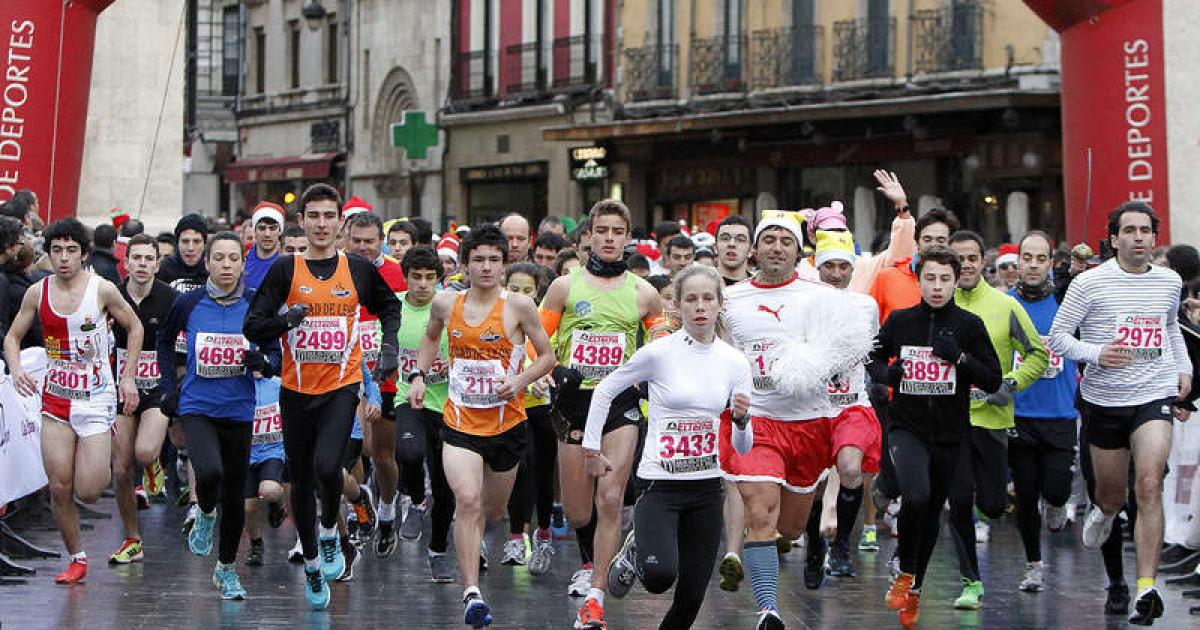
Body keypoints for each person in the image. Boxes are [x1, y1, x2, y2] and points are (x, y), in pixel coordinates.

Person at [243, 183, 402, 611]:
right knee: (301, 478)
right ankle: (312, 560)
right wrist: (287, 320)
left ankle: (330, 530)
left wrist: (389, 347)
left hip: (341, 385)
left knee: (328, 465)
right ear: (302, 221)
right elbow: (253, 326)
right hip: (295, 390)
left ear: (340, 223)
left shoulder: (358, 269)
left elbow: (390, 308)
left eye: (329, 216)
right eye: (313, 216)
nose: (320, 224)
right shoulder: (284, 270)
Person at [719, 211, 875, 630]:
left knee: (787, 526)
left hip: (809, 423)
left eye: (785, 241)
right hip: (756, 420)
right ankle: (768, 610)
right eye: (768, 239)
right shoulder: (730, 299)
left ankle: (782, 544)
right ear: (754, 249)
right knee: (760, 512)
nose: (776, 247)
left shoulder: (823, 295)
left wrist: (806, 364)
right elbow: (715, 350)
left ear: (799, 251)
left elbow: (853, 349)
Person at [1048, 202, 1192, 625]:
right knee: (1111, 496)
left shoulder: (1169, 282)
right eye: (1129, 230)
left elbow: (1170, 329)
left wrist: (1183, 368)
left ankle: (1146, 588)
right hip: (1104, 400)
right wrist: (1097, 353)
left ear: (1154, 237)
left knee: (1148, 484)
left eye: (1145, 230)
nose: (1138, 237)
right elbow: (1057, 338)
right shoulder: (1090, 284)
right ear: (1114, 240)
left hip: (1154, 395)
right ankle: (1106, 511)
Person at [406, 224, 556, 628]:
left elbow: (547, 356)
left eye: (494, 260)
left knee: (491, 509)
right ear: (465, 265)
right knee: (467, 500)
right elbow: (430, 338)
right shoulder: (445, 303)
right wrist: (419, 375)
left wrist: (520, 381)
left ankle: (478, 548)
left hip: (507, 426)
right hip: (459, 422)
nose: (486, 267)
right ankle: (471, 592)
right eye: (478, 260)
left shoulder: (520, 307)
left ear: (504, 266)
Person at [592, 265, 754, 630]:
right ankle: (636, 550)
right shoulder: (659, 353)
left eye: (708, 299)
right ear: (677, 306)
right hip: (659, 485)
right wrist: (591, 448)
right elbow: (605, 389)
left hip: (707, 488)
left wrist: (742, 421)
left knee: (692, 596)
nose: (700, 307)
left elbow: (743, 447)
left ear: (719, 304)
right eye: (691, 299)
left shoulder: (735, 362)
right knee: (660, 576)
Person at [539, 199, 664, 629]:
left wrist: (647, 377)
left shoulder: (645, 294)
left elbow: (661, 347)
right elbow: (539, 342)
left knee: (610, 498)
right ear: (588, 236)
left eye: (618, 231)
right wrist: (554, 371)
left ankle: (595, 598)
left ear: (628, 238)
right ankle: (605, 557)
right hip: (574, 404)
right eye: (602, 231)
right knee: (578, 512)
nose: (610, 238)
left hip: (619, 406)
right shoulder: (563, 287)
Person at [4, 217, 144, 584]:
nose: (63, 257)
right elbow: (12, 337)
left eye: (70, 250)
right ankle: (77, 557)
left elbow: (135, 326)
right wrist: (17, 370)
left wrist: (127, 375)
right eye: (56, 250)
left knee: (89, 489)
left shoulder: (103, 290)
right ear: (47, 254)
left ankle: (98, 451)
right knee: (59, 486)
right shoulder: (37, 292)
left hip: (96, 400)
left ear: (83, 254)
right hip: (55, 400)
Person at [868, 246, 1002, 628]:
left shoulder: (969, 325)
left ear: (957, 280)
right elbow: (872, 358)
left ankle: (915, 586)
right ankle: (905, 571)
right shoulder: (901, 321)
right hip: (906, 426)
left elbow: (992, 378)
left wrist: (960, 359)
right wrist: (888, 375)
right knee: (916, 494)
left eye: (945, 279)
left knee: (929, 513)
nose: (938, 286)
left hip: (950, 433)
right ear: (919, 278)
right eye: (930, 278)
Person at [156, 231, 276, 600]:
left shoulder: (256, 305)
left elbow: (274, 351)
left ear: (243, 263)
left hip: (239, 409)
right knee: (209, 472)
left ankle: (226, 569)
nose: (226, 265)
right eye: (219, 258)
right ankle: (205, 512)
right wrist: (168, 389)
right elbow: (163, 340)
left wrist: (265, 362)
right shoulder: (188, 303)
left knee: (238, 495)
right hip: (197, 406)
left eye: (234, 258)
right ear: (207, 263)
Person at [945, 229, 1048, 610]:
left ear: (982, 262)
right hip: (949, 423)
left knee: (989, 503)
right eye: (960, 258)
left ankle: (985, 506)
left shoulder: (1006, 305)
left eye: (973, 257)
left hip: (992, 420)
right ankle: (971, 582)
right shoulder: (937, 304)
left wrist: (1010, 383)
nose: (967, 264)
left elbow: (1038, 354)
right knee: (957, 500)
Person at [1006, 230, 1080, 593]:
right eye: (1027, 257)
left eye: (1041, 258)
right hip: (1019, 414)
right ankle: (1033, 563)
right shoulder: (1004, 303)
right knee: (1025, 492)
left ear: (1051, 264)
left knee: (1055, 489)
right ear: (1017, 262)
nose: (1033, 265)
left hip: (1061, 412)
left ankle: (1057, 504)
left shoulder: (1068, 304)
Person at [810, 230, 883, 579]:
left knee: (851, 469)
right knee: (813, 485)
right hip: (810, 407)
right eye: (829, 267)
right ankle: (813, 542)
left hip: (853, 403)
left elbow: (872, 353)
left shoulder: (865, 305)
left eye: (843, 266)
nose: (836, 274)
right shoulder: (803, 304)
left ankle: (841, 547)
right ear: (816, 267)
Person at [107, 234, 178, 564]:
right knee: (121, 470)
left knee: (145, 452)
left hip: (156, 387)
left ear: (157, 263)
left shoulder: (171, 298)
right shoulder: (111, 296)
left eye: (149, 259)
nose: (142, 265)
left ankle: (154, 465)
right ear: (126, 262)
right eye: (136, 258)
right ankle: (132, 538)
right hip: (119, 388)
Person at [344, 211, 407, 552]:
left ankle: (385, 510)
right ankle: (358, 506)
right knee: (353, 448)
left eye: (370, 241)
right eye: (358, 241)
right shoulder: (337, 269)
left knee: (381, 454)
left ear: (381, 242)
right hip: (347, 373)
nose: (364, 248)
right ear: (346, 239)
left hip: (386, 375)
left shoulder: (397, 273)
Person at [392, 246, 456, 578]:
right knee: (409, 452)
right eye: (416, 277)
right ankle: (417, 501)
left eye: (430, 278)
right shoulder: (395, 308)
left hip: (447, 405)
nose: (422, 284)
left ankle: (438, 550)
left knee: (447, 486)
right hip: (409, 399)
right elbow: (381, 345)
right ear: (406, 278)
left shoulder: (450, 307)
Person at [499, 262, 557, 570]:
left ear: (538, 293)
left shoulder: (545, 320)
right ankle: (515, 537)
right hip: (510, 409)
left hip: (542, 409)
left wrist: (544, 375)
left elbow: (551, 354)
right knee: (519, 468)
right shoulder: (499, 318)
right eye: (514, 289)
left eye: (527, 290)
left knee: (542, 471)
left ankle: (544, 533)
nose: (520, 295)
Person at [158, 214, 209, 294]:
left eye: (196, 241)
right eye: (185, 241)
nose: (190, 248)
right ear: (177, 243)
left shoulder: (213, 270)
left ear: (204, 244)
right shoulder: (162, 269)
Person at [243, 202, 284, 289]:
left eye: (272, 228)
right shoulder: (242, 259)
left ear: (280, 231)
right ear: (254, 230)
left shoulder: (287, 261)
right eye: (262, 228)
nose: (267, 234)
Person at [716, 215, 753, 286]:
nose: (731, 244)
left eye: (740, 239)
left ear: (751, 250)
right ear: (715, 247)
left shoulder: (760, 287)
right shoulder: (701, 284)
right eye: (725, 238)